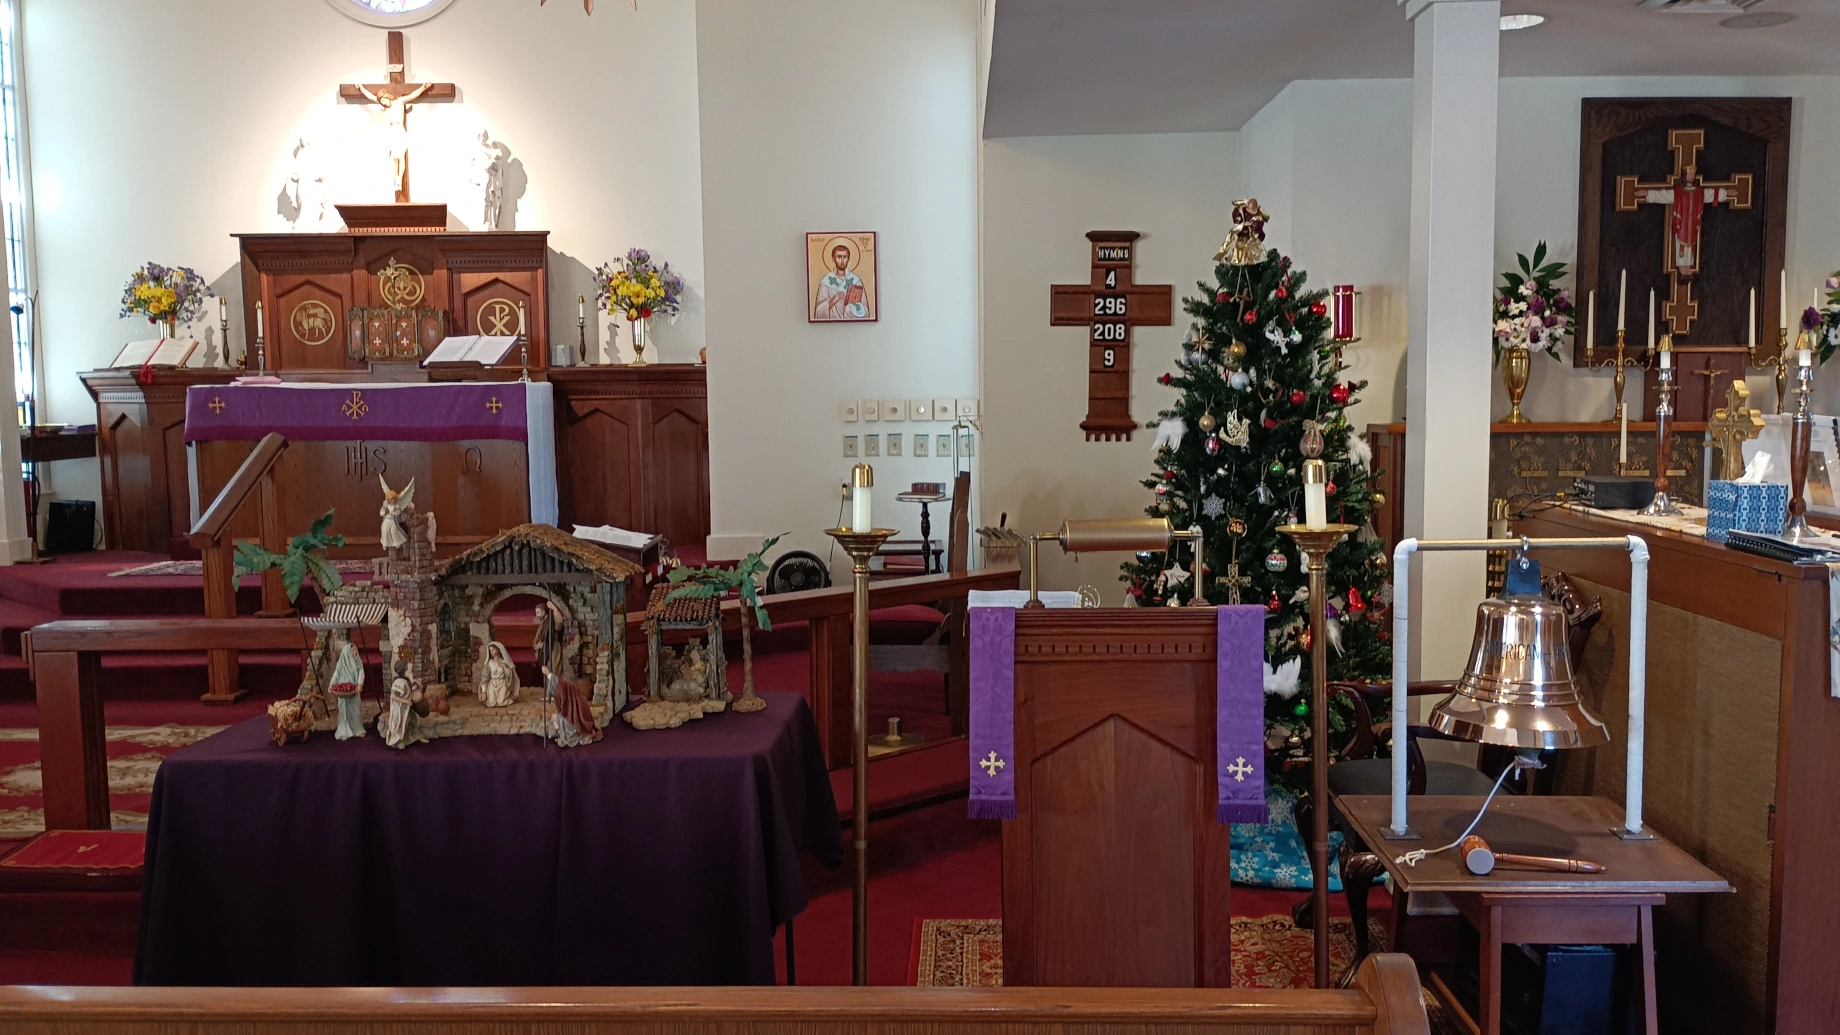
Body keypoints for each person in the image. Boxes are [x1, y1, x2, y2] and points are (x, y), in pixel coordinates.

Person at [327, 627, 367, 740]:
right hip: (343, 691)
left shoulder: (358, 662)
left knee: (355, 711)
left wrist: (359, 684)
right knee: (344, 711)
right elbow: (336, 674)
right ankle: (344, 731)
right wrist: (331, 685)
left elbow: (361, 673)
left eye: (355, 650)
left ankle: (358, 729)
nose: (355, 652)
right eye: (352, 650)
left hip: (354, 690)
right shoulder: (341, 663)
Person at [813, 240, 869, 320]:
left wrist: (854, 305)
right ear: (833, 259)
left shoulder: (856, 280)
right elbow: (818, 311)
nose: (842, 261)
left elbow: (865, 310)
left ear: (848, 258)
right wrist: (834, 299)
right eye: (839, 257)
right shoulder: (826, 282)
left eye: (845, 257)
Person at [477, 640, 517, 707]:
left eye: (494, 649)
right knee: (491, 703)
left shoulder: (504, 662)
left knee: (500, 702)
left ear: (499, 650)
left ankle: (506, 698)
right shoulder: (489, 663)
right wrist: (484, 691)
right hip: (492, 684)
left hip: (502, 683)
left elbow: (510, 674)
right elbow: (485, 677)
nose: (493, 652)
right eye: (491, 650)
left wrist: (504, 667)